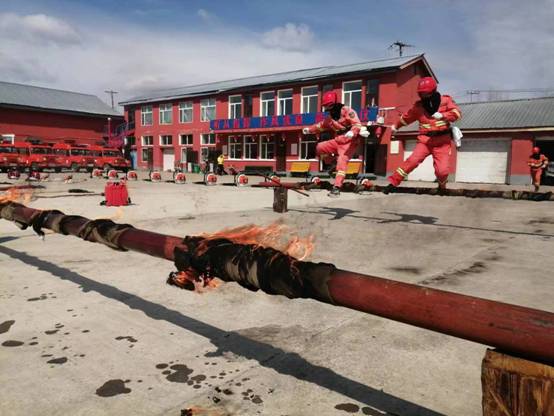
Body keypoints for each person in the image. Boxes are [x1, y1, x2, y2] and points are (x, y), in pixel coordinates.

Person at [384, 77, 462, 194]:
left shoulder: (445, 101)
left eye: (426, 93)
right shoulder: (419, 107)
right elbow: (406, 118)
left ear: (433, 91)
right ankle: (393, 182)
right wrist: (396, 126)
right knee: (412, 161)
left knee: (442, 171)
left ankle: (442, 185)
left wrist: (443, 115)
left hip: (442, 142)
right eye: (421, 93)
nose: (424, 96)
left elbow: (457, 114)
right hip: (425, 141)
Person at [302, 91, 363, 197]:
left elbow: (357, 124)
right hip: (338, 140)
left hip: (349, 143)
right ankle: (332, 163)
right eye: (325, 106)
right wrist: (309, 130)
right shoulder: (331, 117)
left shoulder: (347, 110)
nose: (326, 108)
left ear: (333, 104)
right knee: (319, 147)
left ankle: (336, 188)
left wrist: (353, 132)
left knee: (342, 163)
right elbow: (321, 126)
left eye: (327, 106)